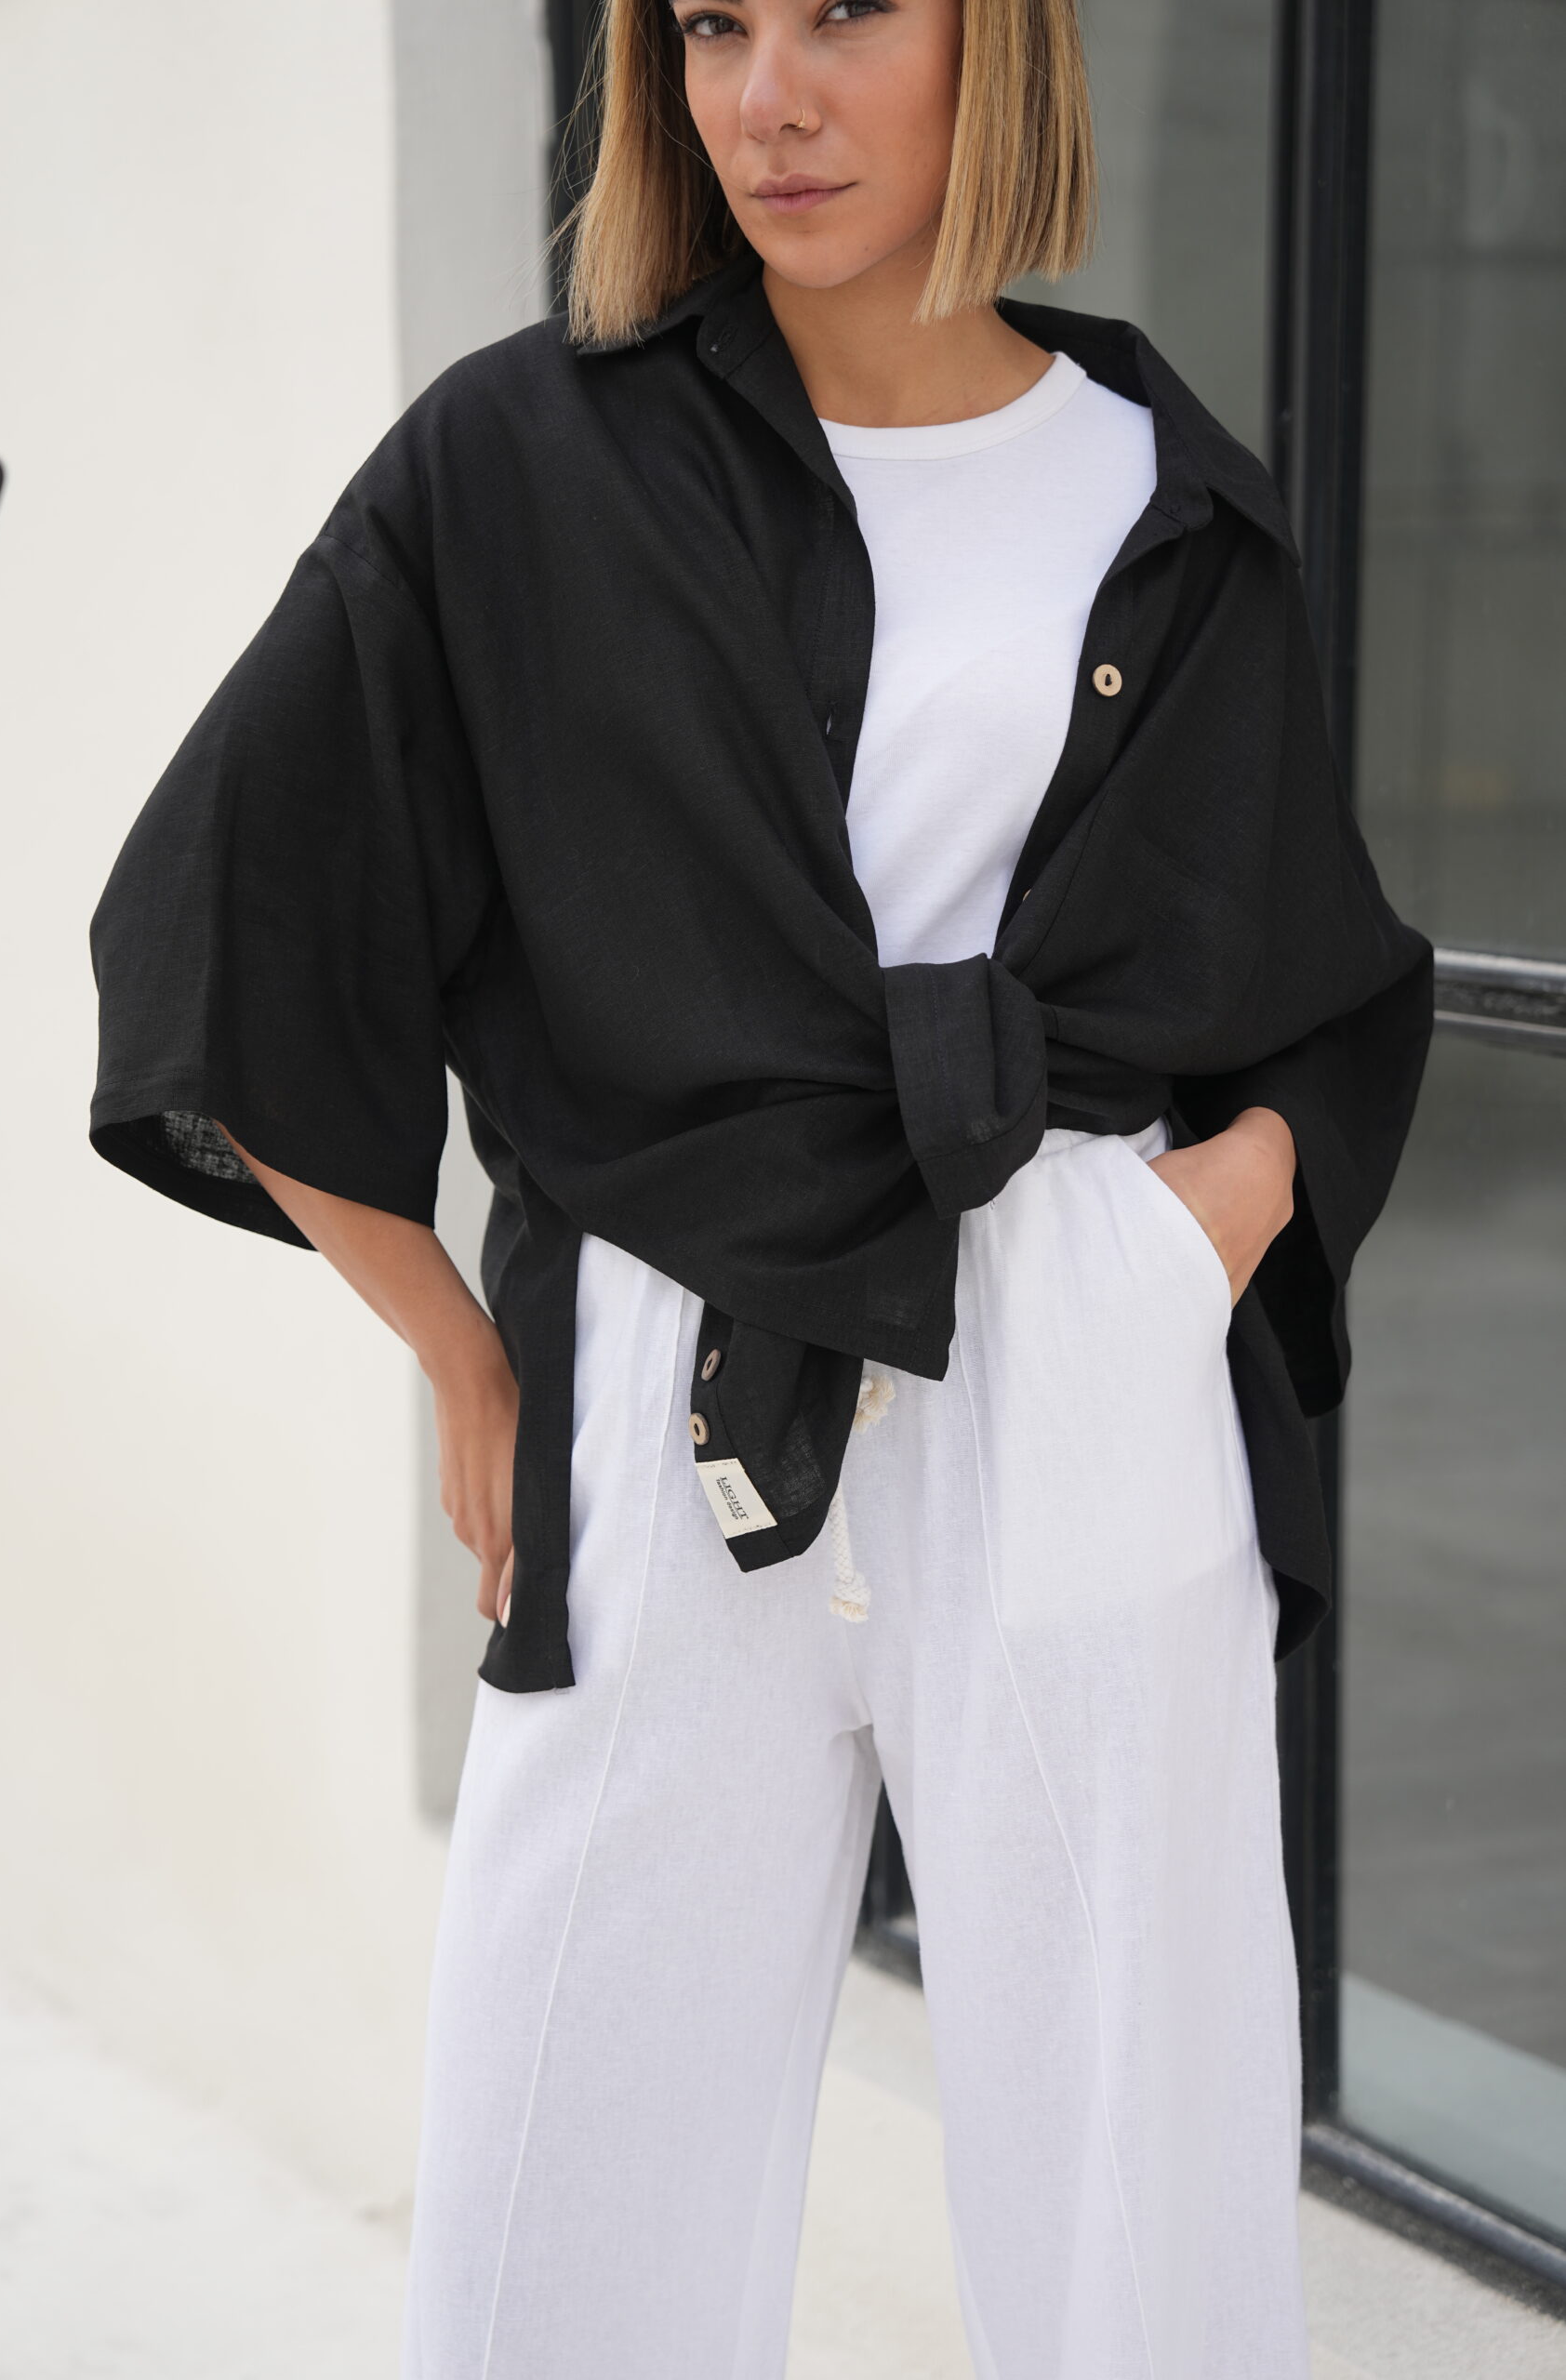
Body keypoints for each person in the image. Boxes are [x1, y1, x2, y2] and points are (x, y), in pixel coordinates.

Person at [87, 0, 1434, 2367]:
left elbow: (1308, 972)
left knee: (1137, 2235)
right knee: (554, 2227)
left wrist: (1188, 1232)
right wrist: (459, 1347)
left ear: (992, 42)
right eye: (707, 23)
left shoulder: (1162, 492)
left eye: (840, 13)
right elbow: (226, 896)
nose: (764, 96)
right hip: (667, 1373)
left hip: (1079, 1372)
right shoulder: (519, 461)